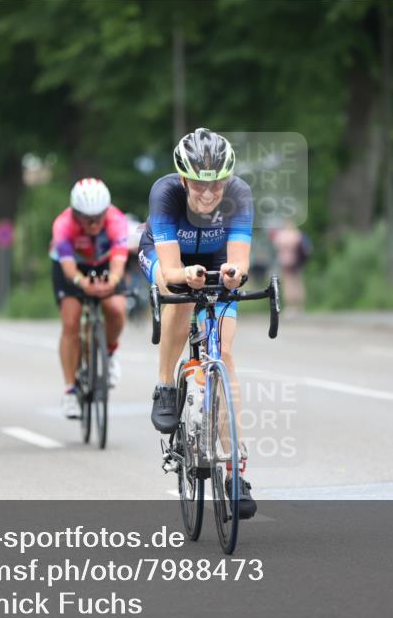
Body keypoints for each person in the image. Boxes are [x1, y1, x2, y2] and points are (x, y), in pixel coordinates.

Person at [138, 127, 257, 519]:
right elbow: (172, 271)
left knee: (223, 351)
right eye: (199, 186)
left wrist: (232, 273)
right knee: (179, 300)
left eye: (216, 186)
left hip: (214, 258)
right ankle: (165, 386)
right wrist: (183, 274)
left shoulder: (239, 195)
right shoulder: (166, 194)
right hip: (166, 256)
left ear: (227, 180)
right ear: (184, 179)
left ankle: (234, 469)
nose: (208, 195)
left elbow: (240, 261)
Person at [50, 178, 130, 419]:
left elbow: (118, 261)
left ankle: (110, 351)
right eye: (87, 218)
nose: (94, 223)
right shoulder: (63, 225)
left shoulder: (117, 220)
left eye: (99, 217)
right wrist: (82, 283)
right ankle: (70, 390)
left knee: (116, 310)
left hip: (104, 263)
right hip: (73, 269)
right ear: (75, 214)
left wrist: (113, 282)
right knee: (71, 322)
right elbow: (68, 269)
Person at [270, 219, 309, 314]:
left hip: (285, 263)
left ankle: (290, 306)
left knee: (288, 284)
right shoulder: (297, 234)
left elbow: (275, 244)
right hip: (297, 262)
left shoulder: (282, 235)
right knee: (298, 283)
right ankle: (300, 307)